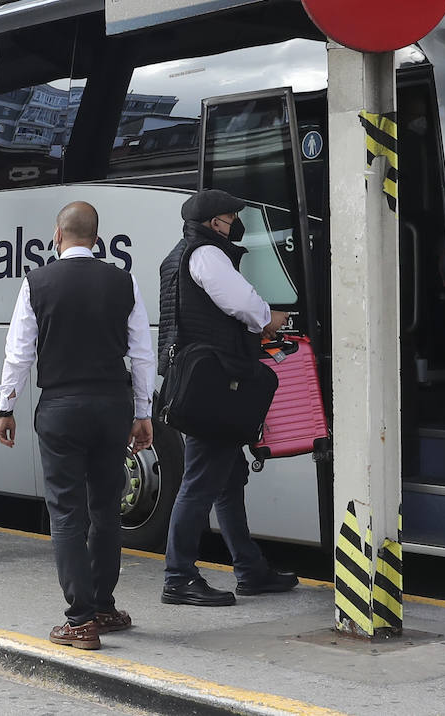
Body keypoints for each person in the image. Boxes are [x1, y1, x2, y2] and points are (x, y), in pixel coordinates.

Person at [0, 201, 155, 651]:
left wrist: (5, 407)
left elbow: (19, 353)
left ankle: (80, 620)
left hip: (61, 408)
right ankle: (103, 606)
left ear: (57, 236)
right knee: (106, 509)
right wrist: (142, 413)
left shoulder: (37, 283)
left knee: (66, 511)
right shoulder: (123, 281)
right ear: (97, 237)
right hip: (111, 406)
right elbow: (141, 353)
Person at [158, 189, 298, 606]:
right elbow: (239, 302)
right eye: (232, 217)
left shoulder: (180, 255)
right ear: (216, 222)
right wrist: (269, 318)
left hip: (203, 384)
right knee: (200, 481)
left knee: (227, 479)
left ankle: (250, 570)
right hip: (214, 386)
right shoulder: (206, 254)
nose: (236, 224)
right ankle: (178, 576)